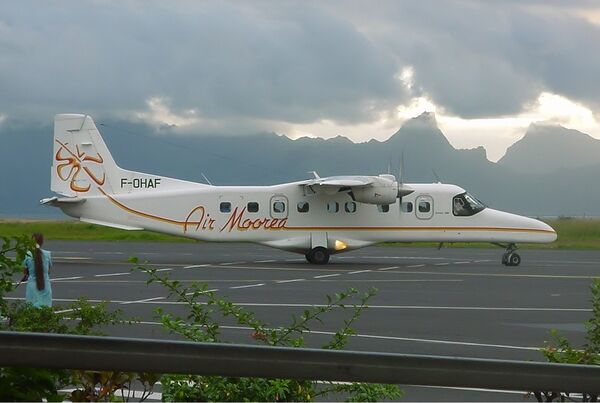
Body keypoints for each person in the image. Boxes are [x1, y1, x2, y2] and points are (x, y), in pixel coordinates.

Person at [23, 233, 52, 307]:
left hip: (32, 286)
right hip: (45, 285)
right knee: (46, 308)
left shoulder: (27, 254)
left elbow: (25, 272)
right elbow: (48, 271)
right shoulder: (47, 254)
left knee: (31, 308)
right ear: (42, 242)